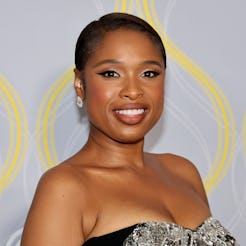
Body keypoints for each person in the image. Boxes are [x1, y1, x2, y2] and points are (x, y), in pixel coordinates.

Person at [21, 13, 238, 245]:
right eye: (111, 74)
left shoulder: (183, 171)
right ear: (80, 84)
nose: (133, 91)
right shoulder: (64, 188)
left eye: (149, 73)